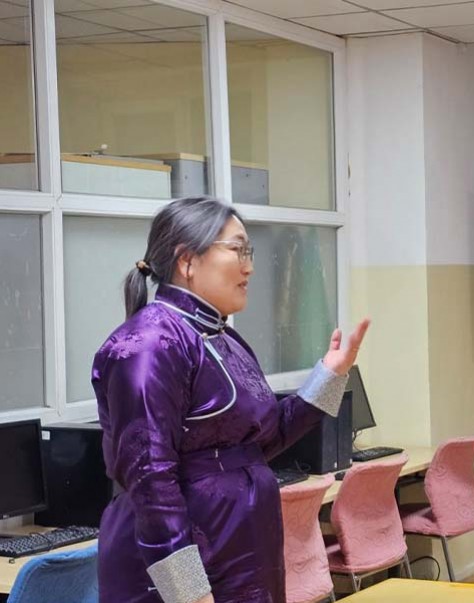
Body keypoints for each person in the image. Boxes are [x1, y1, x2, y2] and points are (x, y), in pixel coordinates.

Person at [93, 196, 369, 603]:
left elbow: (260, 443)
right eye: (237, 250)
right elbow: (150, 478)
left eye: (248, 252)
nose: (249, 267)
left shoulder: (223, 337)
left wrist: (329, 376)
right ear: (187, 261)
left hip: (241, 549)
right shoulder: (149, 344)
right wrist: (189, 592)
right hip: (184, 565)